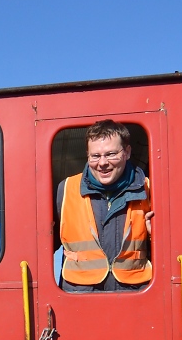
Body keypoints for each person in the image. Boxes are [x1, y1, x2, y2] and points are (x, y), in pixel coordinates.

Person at [56, 120, 154, 292]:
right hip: (78, 300)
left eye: (110, 154)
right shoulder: (66, 189)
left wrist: (155, 235)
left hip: (134, 298)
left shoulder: (149, 188)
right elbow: (41, 245)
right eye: (95, 156)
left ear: (127, 152)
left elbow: (168, 251)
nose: (102, 163)